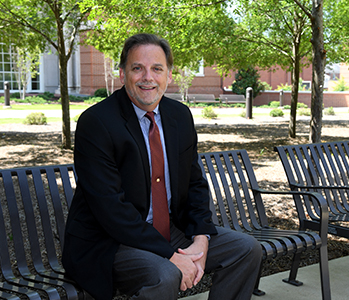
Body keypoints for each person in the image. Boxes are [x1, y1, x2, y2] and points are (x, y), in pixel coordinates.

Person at [62, 33, 262, 300]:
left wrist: (202, 237)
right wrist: (171, 256)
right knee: (167, 274)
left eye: (157, 68)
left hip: (170, 232)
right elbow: (110, 209)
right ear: (123, 74)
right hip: (111, 241)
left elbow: (194, 184)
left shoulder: (179, 116)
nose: (148, 77)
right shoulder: (96, 123)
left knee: (246, 248)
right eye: (137, 68)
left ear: (169, 75)